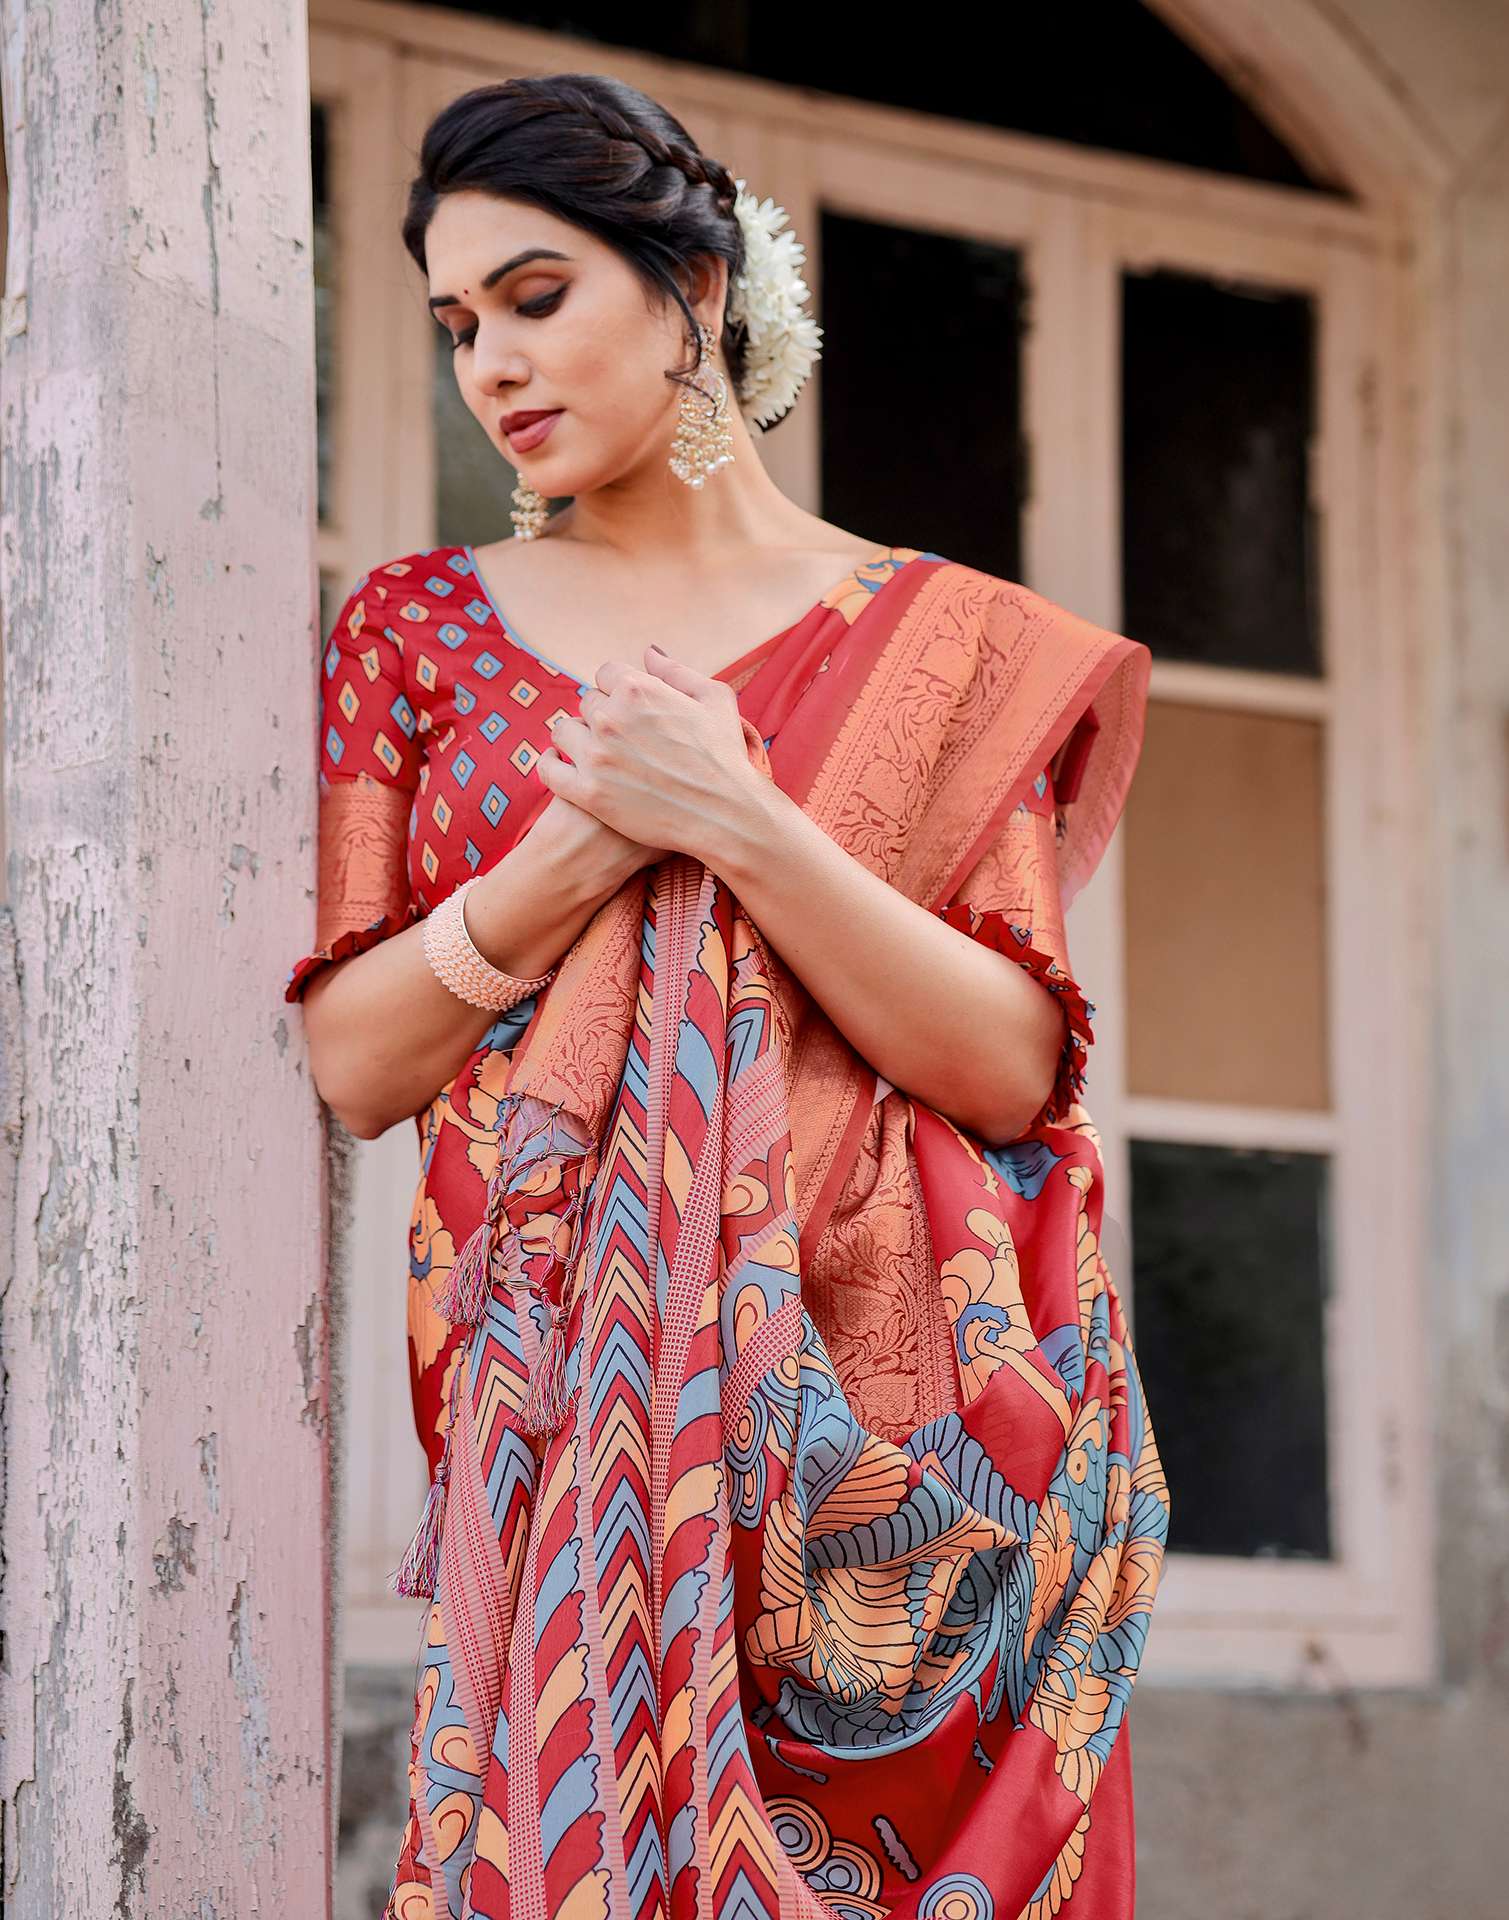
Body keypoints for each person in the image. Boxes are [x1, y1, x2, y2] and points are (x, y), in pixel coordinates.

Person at [283, 71, 1170, 1920]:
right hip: (555, 1422)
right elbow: (354, 1059)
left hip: (883, 1460)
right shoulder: (418, 628)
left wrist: (746, 824)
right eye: (456, 326)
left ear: (693, 292)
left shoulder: (944, 643)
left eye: (537, 297)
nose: (491, 366)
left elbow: (1013, 1069)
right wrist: (577, 850)